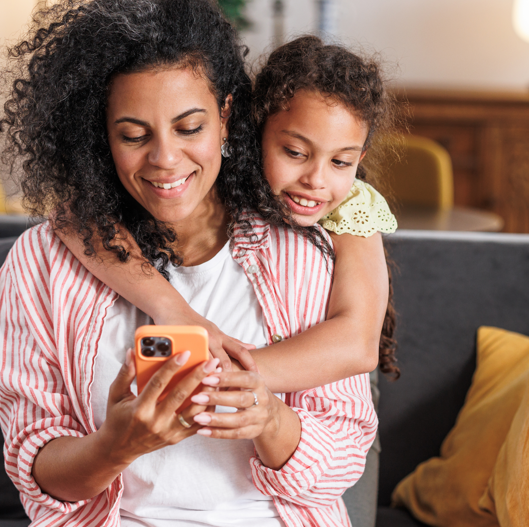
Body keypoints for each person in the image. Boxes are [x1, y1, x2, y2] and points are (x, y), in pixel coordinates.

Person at [0, 1, 432, 527]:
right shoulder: (46, 261)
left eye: (189, 126)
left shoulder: (309, 248)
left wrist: (272, 418)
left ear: (225, 114)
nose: (165, 160)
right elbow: (38, 464)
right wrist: (117, 445)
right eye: (133, 134)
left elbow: (344, 446)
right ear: (100, 133)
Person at [54, 35, 401, 392]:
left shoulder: (350, 203)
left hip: (336, 391)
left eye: (340, 161)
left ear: (357, 160)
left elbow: (358, 345)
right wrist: (175, 312)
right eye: (295, 152)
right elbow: (73, 217)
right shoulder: (219, 175)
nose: (316, 180)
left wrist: (209, 377)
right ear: (254, 129)